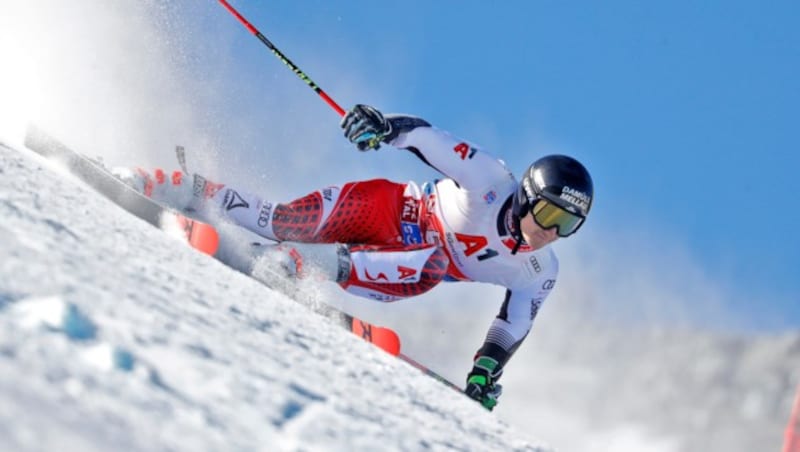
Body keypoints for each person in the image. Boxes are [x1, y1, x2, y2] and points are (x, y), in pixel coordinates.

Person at [120, 104, 594, 411]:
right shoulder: (490, 178)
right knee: (282, 221)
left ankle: (297, 264)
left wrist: (484, 374)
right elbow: (427, 140)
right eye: (550, 213)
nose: (551, 232)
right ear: (528, 195)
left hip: (399, 267)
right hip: (382, 209)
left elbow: (512, 326)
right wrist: (384, 128)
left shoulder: (537, 270)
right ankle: (171, 185)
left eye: (568, 225)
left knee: (431, 267)